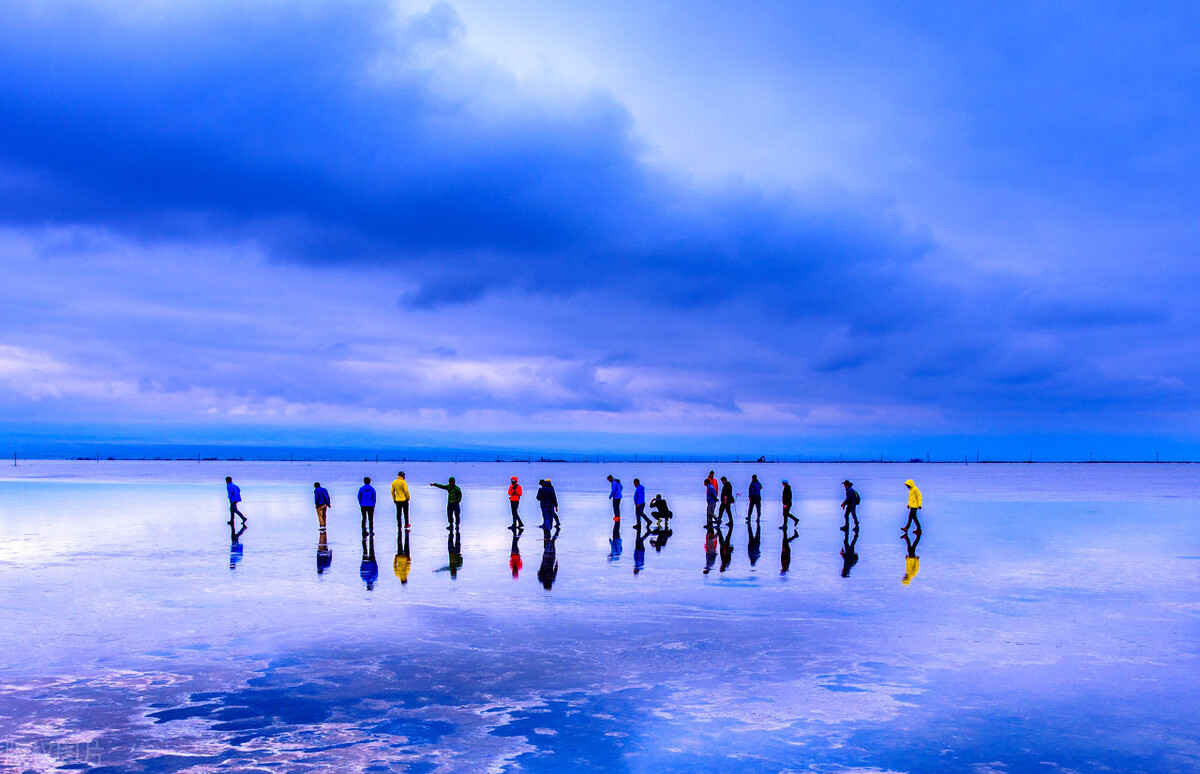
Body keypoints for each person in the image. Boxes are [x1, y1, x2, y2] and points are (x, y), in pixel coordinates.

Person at [537, 525, 559, 590]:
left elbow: (555, 571)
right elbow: (538, 572)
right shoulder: (543, 579)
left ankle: (549, 532)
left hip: (550, 559)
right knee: (549, 544)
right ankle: (548, 532)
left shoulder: (549, 579)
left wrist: (556, 565)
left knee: (551, 544)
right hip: (546, 560)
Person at [359, 526, 378, 590]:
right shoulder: (364, 578)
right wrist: (362, 563)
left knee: (371, 548)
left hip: (371, 562)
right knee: (365, 549)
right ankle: (367, 539)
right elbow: (361, 570)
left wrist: (375, 563)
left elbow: (375, 570)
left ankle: (368, 538)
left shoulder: (372, 578)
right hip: (366, 562)